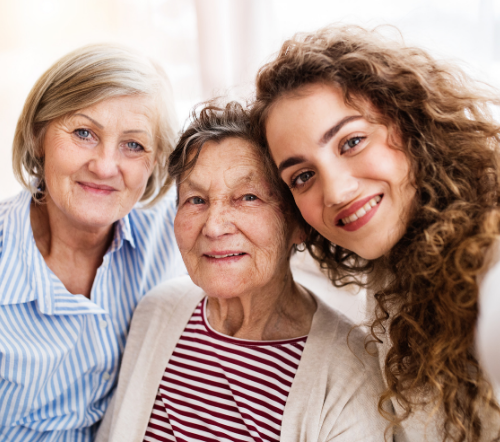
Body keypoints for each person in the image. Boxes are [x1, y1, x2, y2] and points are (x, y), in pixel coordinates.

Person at [250, 25, 500, 442]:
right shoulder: (395, 264)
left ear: (412, 122)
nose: (337, 192)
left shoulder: (489, 267)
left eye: (351, 142)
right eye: (303, 175)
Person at [96, 102, 389, 442]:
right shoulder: (157, 311)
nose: (214, 226)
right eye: (195, 199)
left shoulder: (351, 374)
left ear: (298, 223)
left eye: (247, 197)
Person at [0, 44, 184, 441]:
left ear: (154, 162)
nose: (104, 166)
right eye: (84, 133)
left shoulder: (172, 230)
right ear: (38, 137)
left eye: (133, 145)